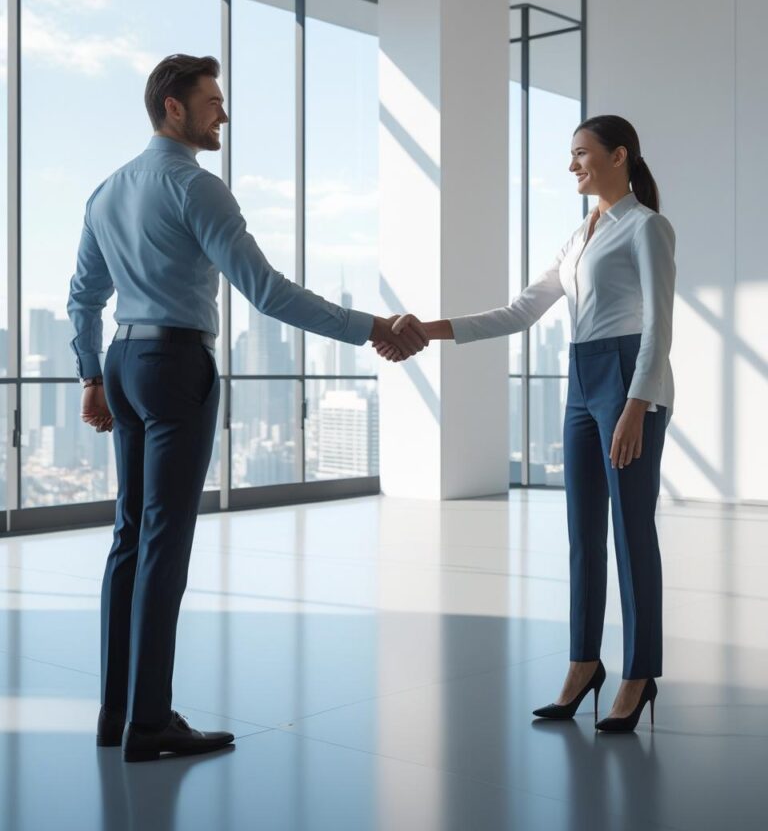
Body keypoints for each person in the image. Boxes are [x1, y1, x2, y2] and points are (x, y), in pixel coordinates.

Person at [68, 53, 424, 762]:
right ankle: (151, 722)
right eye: (212, 101)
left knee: (129, 537)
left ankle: (116, 713)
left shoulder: (107, 191)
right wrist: (372, 326)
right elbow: (266, 292)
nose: (222, 113)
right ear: (174, 107)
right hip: (174, 364)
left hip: (124, 363)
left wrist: (90, 378)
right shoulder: (196, 189)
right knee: (166, 540)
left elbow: (84, 297)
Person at [378, 115, 675, 733]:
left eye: (581, 154)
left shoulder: (647, 228)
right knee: (582, 535)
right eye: (570, 155)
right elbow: (519, 312)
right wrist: (428, 331)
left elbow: (660, 328)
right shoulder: (579, 237)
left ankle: (639, 673)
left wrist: (636, 406)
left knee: (631, 534)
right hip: (582, 380)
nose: (572, 165)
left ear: (619, 157)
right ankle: (583, 664)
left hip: (628, 384)